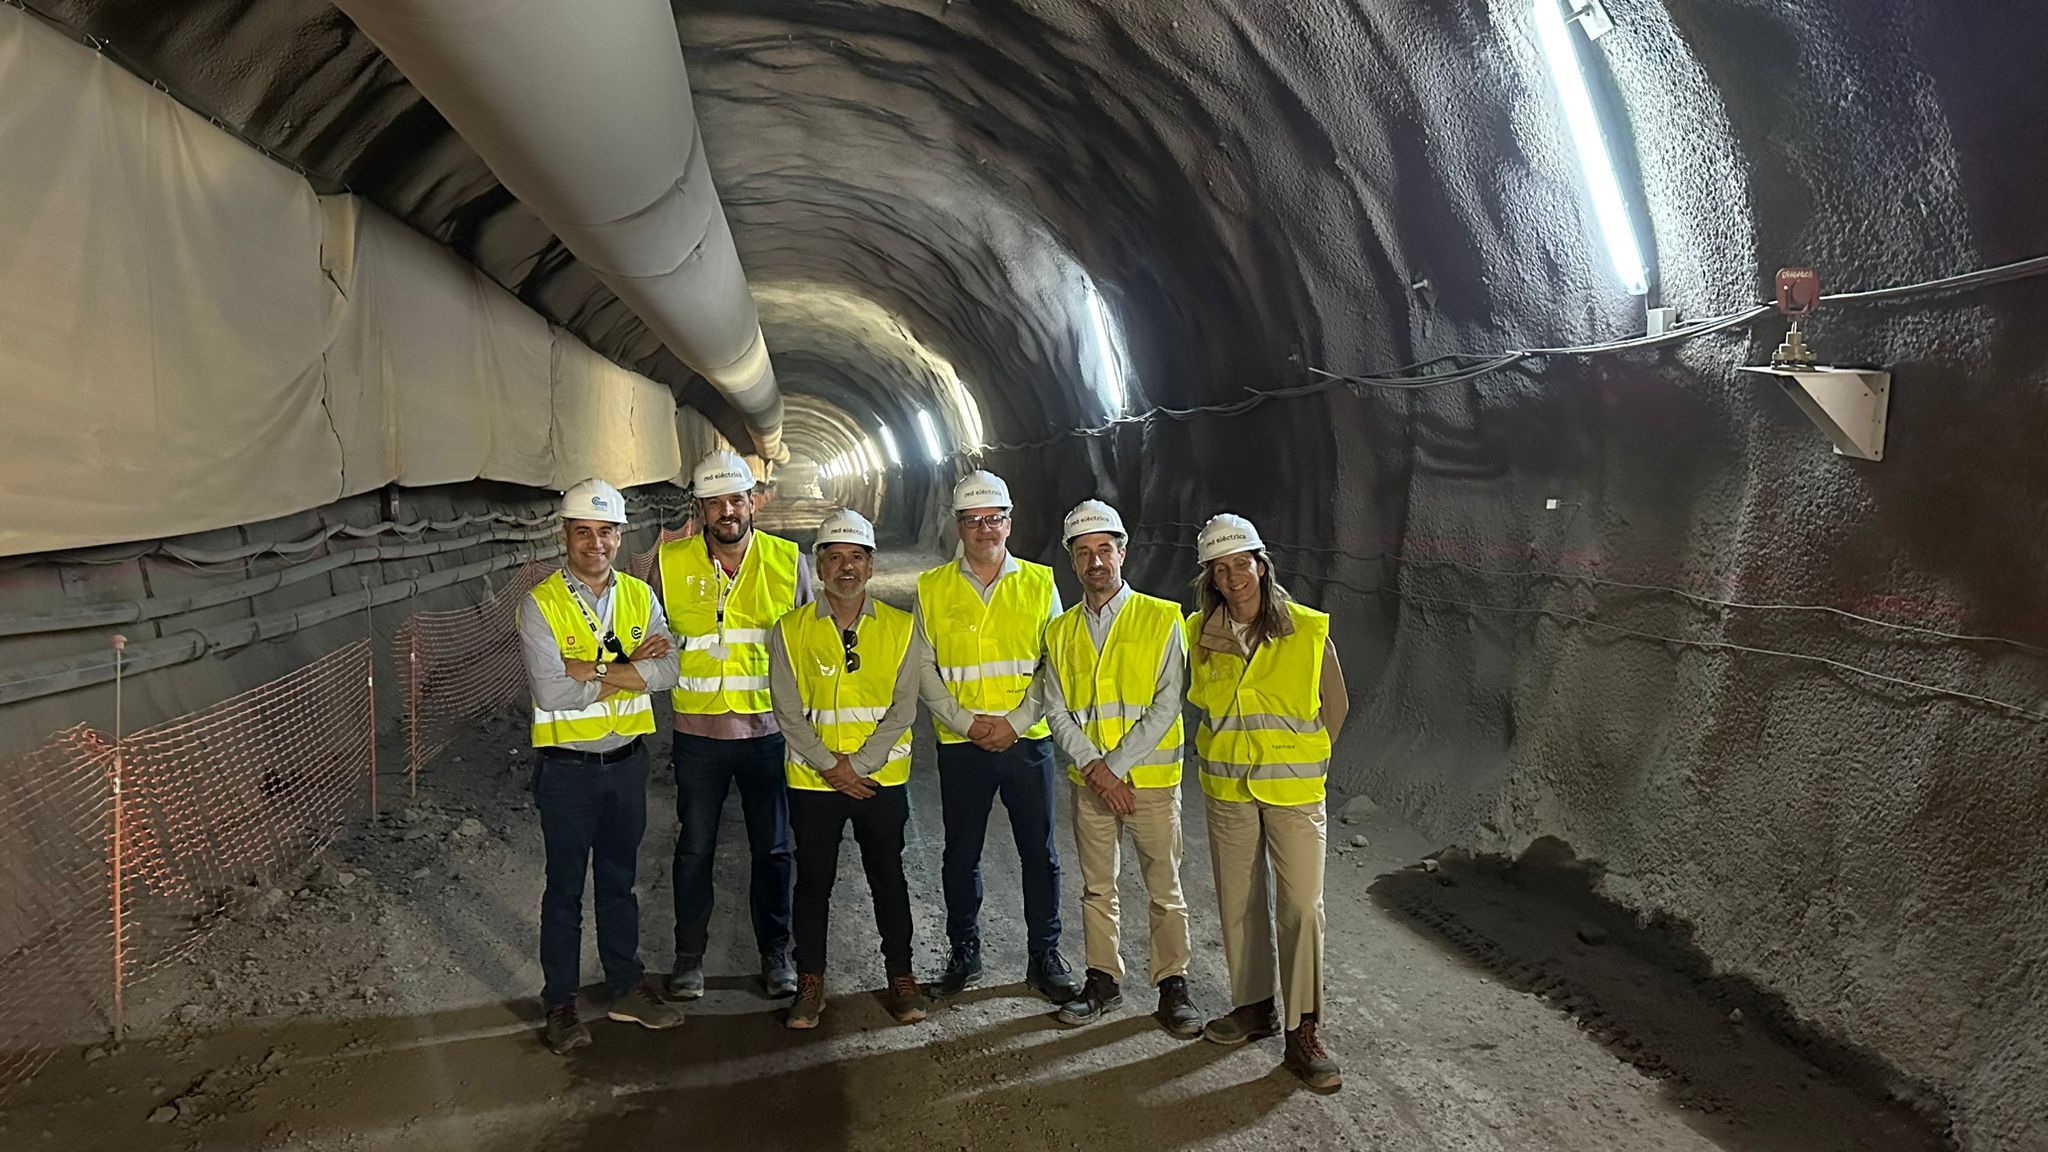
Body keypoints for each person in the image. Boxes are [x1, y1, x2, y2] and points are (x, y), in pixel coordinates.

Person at [516, 478, 685, 1053]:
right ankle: (560, 1005)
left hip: (627, 765)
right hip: (567, 771)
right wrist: (627, 665)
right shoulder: (540, 604)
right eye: (583, 531)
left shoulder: (640, 595)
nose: (595, 543)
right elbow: (551, 693)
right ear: (564, 535)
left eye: (605, 531)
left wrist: (590, 667)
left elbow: (667, 674)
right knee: (564, 889)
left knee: (619, 882)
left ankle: (625, 986)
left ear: (620, 535)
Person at [1186, 513, 1349, 1091]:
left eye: (1242, 564)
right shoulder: (1198, 634)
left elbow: (1335, 708)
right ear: (1211, 576)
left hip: (1295, 793)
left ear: (1261, 564)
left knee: (1303, 909)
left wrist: (1302, 757)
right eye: (1220, 568)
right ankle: (1253, 1007)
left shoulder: (1306, 629)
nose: (1234, 578)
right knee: (1239, 903)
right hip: (1228, 789)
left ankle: (1303, 1030)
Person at [915, 470, 1081, 1002]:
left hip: (1025, 742)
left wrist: (1014, 722)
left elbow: (1051, 665)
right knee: (960, 854)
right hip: (961, 746)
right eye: (973, 520)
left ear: (1010, 523)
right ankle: (964, 950)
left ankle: (1044, 955)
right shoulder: (933, 587)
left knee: (1040, 854)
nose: (985, 529)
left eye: (994, 519)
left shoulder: (1040, 582)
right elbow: (923, 668)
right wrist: (967, 724)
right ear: (958, 526)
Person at [1039, 500, 1204, 1037]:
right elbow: (1055, 708)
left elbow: (1168, 702)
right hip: (1092, 784)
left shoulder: (1162, 617)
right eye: (1083, 553)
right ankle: (1103, 978)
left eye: (1104, 550)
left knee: (1164, 885)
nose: (1095, 562)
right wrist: (1095, 768)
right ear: (1072, 561)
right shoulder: (1060, 631)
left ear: (1122, 552)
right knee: (1097, 887)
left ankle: (1172, 983)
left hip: (1149, 782)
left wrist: (1114, 767)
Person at [655, 450, 811, 1000]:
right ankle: (688, 957)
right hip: (698, 736)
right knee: (694, 847)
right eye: (715, 502)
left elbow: (810, 643)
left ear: (753, 502)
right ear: (699, 509)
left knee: (772, 848)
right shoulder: (669, 564)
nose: (727, 511)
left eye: (736, 500)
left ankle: (776, 954)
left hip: (766, 734)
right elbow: (650, 640)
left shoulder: (789, 561)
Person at [767, 509, 929, 1030]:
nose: (845, 568)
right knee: (813, 883)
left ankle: (901, 975)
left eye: (855, 557)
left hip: (879, 781)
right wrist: (831, 768)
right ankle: (810, 980)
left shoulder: (903, 629)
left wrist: (856, 766)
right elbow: (786, 711)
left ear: (871, 566)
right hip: (814, 783)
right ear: (818, 565)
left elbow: (904, 710)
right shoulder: (788, 631)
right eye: (834, 557)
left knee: (889, 878)